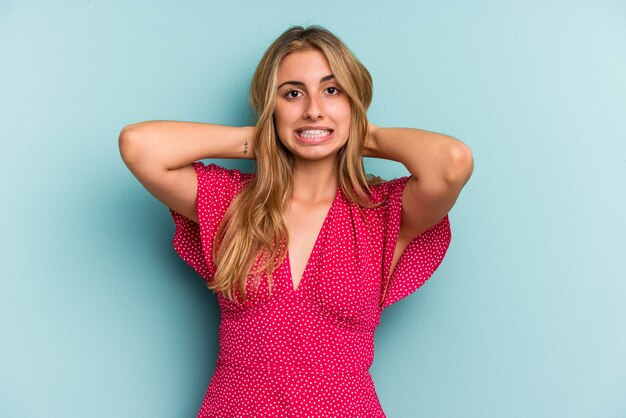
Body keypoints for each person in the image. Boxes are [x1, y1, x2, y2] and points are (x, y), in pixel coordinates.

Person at [119, 25, 473, 418]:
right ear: (271, 108)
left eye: (332, 90)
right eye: (292, 93)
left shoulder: (383, 213)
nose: (313, 109)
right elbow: (138, 145)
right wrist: (269, 138)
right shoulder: (234, 204)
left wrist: (355, 134)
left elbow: (451, 162)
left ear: (355, 101)